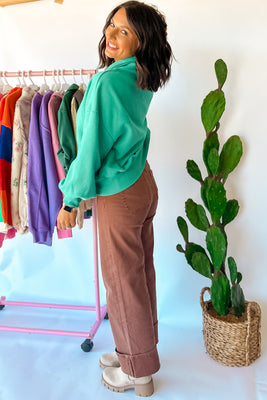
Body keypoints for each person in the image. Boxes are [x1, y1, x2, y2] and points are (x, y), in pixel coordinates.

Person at [56, 1, 173, 396]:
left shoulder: (107, 82)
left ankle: (137, 373)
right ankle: (136, 352)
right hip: (143, 184)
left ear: (142, 41)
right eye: (111, 25)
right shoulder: (142, 75)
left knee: (122, 284)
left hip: (120, 194)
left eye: (123, 31)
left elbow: (90, 149)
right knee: (141, 276)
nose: (110, 34)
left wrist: (71, 200)